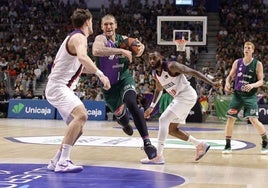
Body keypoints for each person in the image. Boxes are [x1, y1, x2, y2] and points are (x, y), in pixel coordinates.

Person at [45, 9, 111, 173]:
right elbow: (83, 58)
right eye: (92, 21)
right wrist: (100, 74)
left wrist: (97, 71)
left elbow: (80, 66)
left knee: (78, 129)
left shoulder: (75, 38)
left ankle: (56, 160)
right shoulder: (79, 37)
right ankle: (63, 162)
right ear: (88, 21)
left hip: (58, 87)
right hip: (58, 87)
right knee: (82, 115)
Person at [92, 14, 157, 160]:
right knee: (123, 119)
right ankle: (124, 123)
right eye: (105, 24)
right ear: (102, 27)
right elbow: (96, 51)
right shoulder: (100, 39)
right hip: (109, 86)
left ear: (116, 25)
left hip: (124, 78)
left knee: (132, 103)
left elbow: (140, 47)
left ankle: (147, 143)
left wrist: (141, 48)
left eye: (111, 24)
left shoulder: (125, 40)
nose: (108, 27)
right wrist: (120, 51)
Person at [140, 51, 222, 164]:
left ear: (161, 57)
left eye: (154, 58)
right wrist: (152, 106)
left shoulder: (172, 66)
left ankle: (158, 156)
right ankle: (200, 145)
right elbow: (159, 89)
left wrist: (211, 82)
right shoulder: (155, 74)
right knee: (171, 129)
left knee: (163, 119)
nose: (152, 61)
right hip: (180, 98)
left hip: (186, 95)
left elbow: (193, 72)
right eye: (150, 59)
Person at [222, 41, 268, 154]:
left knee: (253, 119)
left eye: (248, 48)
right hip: (237, 95)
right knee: (230, 118)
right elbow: (229, 76)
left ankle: (265, 142)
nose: (246, 49)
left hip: (250, 96)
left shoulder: (258, 64)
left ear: (253, 50)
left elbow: (261, 81)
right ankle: (227, 145)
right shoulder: (237, 62)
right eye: (244, 48)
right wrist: (227, 83)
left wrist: (252, 85)